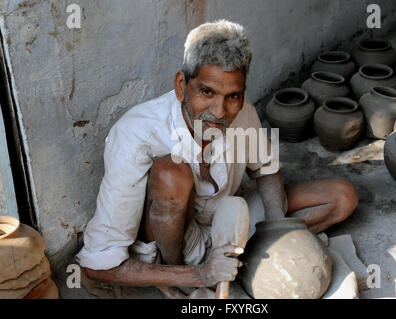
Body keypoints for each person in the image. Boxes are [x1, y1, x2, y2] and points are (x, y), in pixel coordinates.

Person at [76, 20, 358, 298]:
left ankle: (248, 257)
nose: (220, 111)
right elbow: (99, 266)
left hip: (230, 223)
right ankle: (177, 274)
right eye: (206, 92)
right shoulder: (135, 133)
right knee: (170, 172)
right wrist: (199, 275)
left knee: (342, 197)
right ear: (181, 85)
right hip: (175, 240)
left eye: (233, 96)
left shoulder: (242, 110)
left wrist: (276, 229)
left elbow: (266, 169)